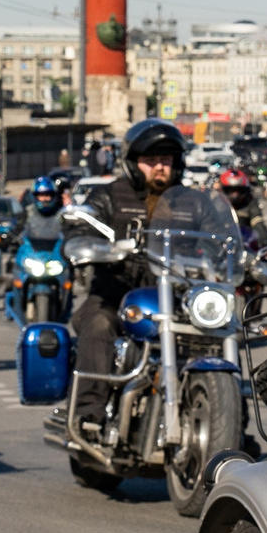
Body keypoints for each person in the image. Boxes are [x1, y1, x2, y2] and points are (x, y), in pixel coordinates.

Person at [67, 119, 187, 433]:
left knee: (221, 332)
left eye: (166, 160)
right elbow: (82, 226)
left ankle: (232, 422)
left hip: (175, 300)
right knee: (99, 324)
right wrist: (86, 243)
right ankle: (88, 415)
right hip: (116, 295)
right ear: (133, 162)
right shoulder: (108, 196)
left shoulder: (188, 203)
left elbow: (220, 237)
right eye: (151, 160)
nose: (160, 167)